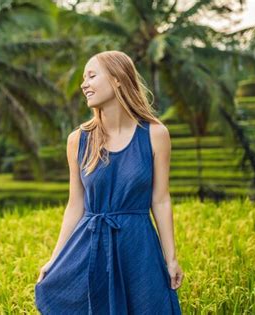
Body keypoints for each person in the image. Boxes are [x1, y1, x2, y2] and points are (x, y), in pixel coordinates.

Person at [34, 50, 184, 314]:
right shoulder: (78, 140)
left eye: (92, 75)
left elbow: (160, 200)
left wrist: (170, 259)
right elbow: (75, 205)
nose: (84, 84)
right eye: (83, 78)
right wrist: (55, 258)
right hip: (92, 245)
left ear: (117, 79)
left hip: (139, 247)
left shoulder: (155, 134)